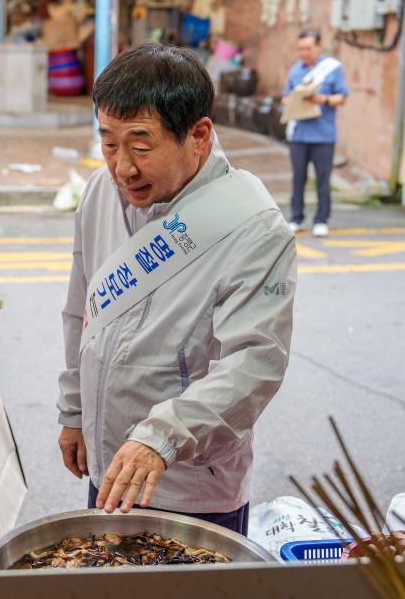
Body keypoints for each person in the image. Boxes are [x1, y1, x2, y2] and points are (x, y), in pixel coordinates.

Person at [57, 44, 296, 535]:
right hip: (113, 464)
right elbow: (81, 309)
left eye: (141, 147)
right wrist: (75, 410)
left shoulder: (253, 224)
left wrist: (161, 438)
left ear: (199, 135)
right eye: (108, 143)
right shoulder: (102, 191)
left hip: (192, 481)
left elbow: (255, 361)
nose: (123, 167)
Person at [282, 29, 348, 237]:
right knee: (298, 178)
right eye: (301, 48)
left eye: (308, 48)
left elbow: (342, 97)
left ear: (319, 47)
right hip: (299, 134)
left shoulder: (332, 69)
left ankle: (321, 220)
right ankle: (296, 218)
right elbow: (285, 98)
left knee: (322, 179)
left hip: (323, 135)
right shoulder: (295, 71)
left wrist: (322, 100)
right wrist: (294, 98)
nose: (304, 52)